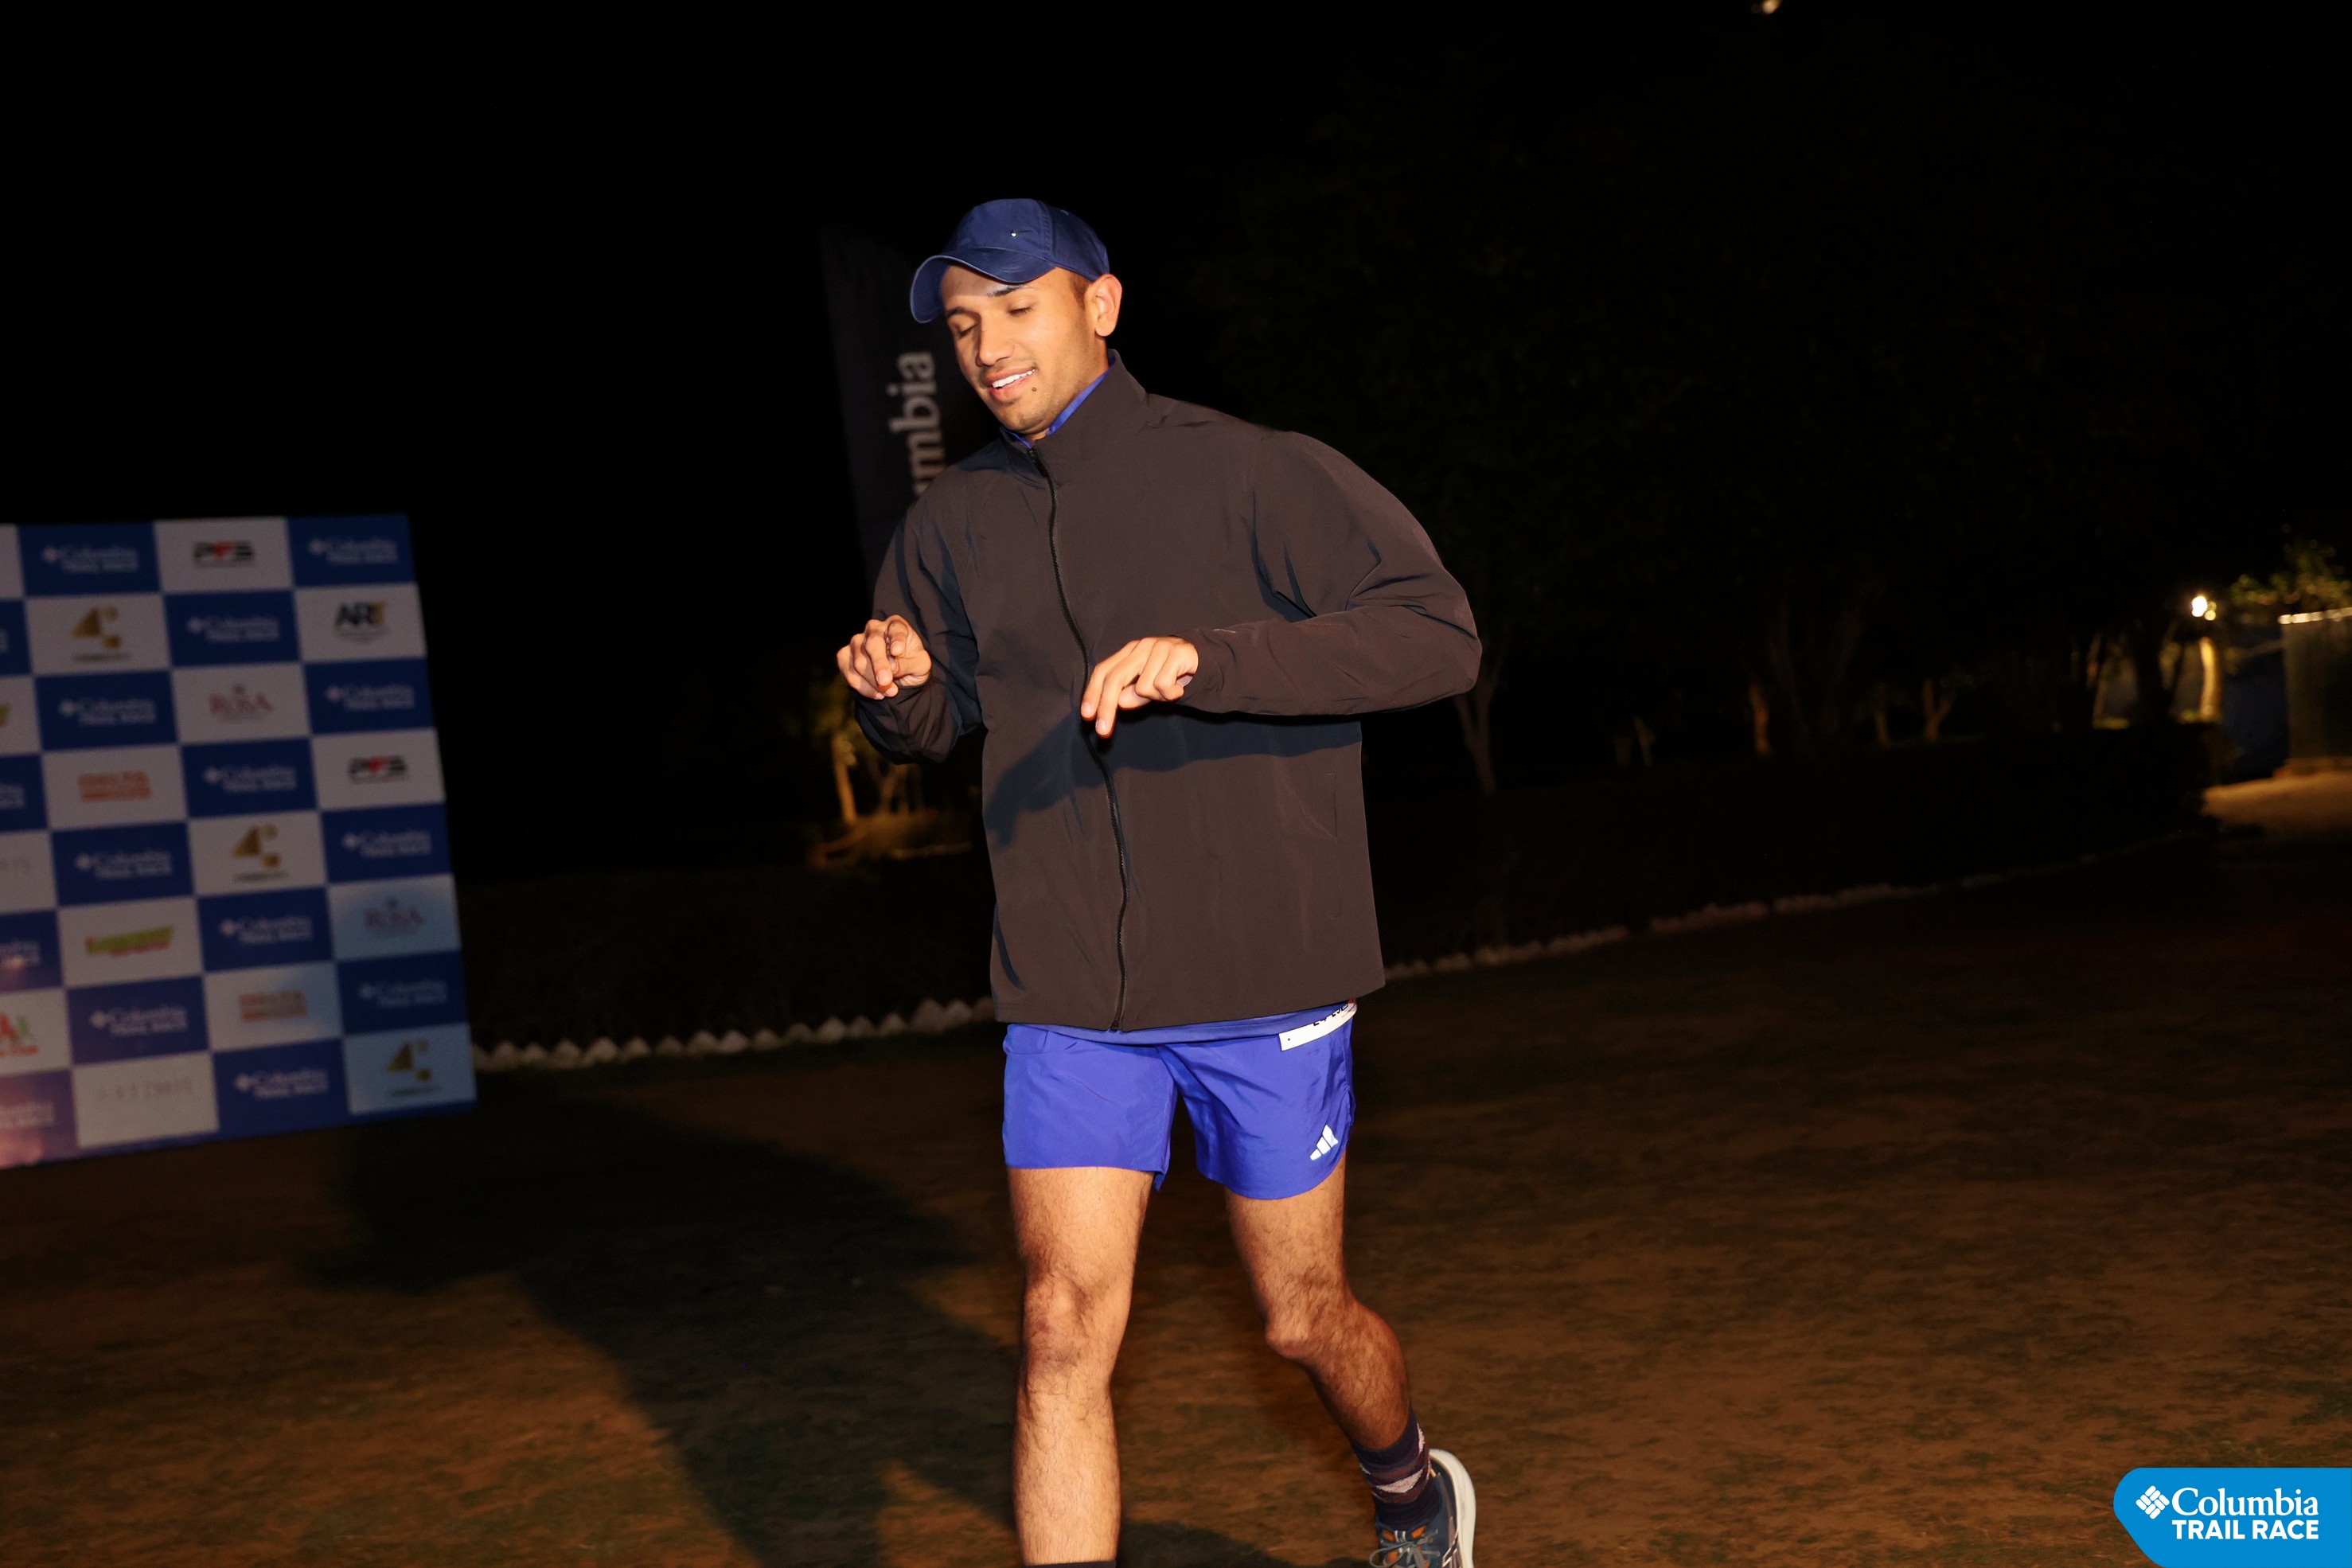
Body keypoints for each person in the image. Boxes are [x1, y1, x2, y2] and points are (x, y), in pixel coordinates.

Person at [838, 197, 1483, 1568]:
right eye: (965, 324)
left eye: (1018, 309)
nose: (987, 347)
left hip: (1264, 973)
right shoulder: (951, 521)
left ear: (1103, 305)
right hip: (1069, 983)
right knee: (1061, 1324)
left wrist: (1214, 658)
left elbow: (1437, 633)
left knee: (1300, 1315)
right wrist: (893, 690)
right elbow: (939, 712)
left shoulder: (1255, 471)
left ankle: (1409, 1486)